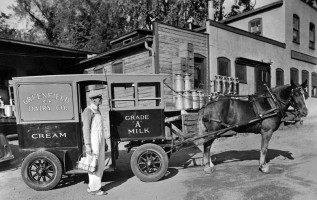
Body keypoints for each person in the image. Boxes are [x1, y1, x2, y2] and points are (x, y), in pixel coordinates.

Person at [82, 90, 107, 195]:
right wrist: (88, 145)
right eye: (98, 98)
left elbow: (100, 128)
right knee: (94, 164)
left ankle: (91, 186)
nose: (101, 99)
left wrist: (104, 142)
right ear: (92, 99)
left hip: (99, 140)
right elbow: (86, 129)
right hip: (93, 141)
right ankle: (95, 189)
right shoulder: (88, 110)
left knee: (100, 163)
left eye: (100, 97)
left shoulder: (97, 110)